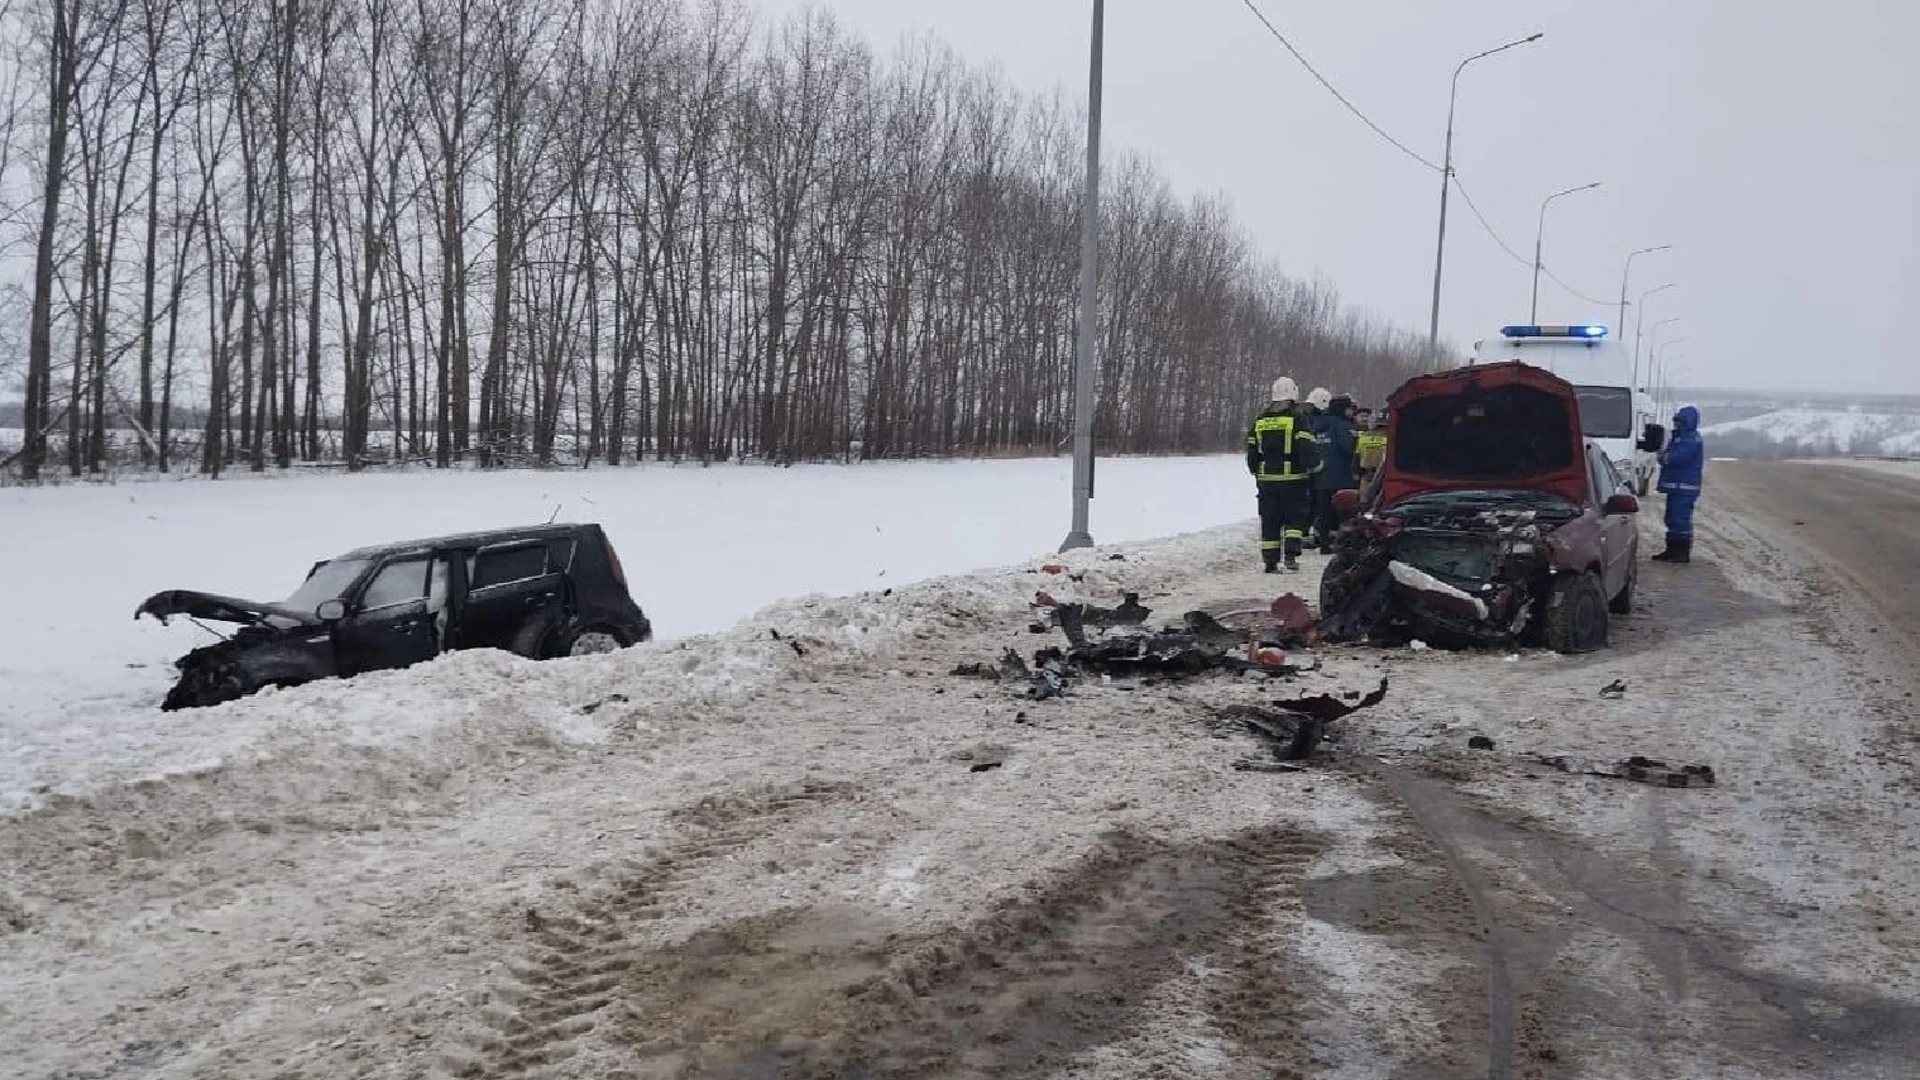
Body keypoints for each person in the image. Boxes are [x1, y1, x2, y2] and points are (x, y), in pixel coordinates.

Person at [1247, 378, 1320, 572]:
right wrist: (1315, 466)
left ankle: (1270, 562)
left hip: (1266, 481)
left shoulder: (1260, 420)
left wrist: (1256, 470)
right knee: (1294, 519)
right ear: (1293, 395)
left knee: (1270, 519)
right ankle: (1290, 556)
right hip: (1294, 479)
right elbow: (1307, 448)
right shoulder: (1298, 419)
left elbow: (1252, 451)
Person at [1653, 404, 1705, 563]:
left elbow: (1679, 458)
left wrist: (1663, 457)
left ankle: (1681, 553)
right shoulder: (1679, 437)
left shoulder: (1691, 439)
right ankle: (1671, 550)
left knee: (1680, 520)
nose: (1676, 424)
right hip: (1677, 486)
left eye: (1679, 421)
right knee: (1672, 519)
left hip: (1684, 487)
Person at [1311, 394, 1359, 552]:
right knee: (1343, 512)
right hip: (1341, 477)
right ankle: (1342, 544)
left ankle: (1324, 544)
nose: (1352, 412)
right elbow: (1348, 447)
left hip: (1320, 476)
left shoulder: (1317, 423)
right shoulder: (1343, 425)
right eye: (1349, 408)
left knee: (1323, 512)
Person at [1354, 408, 1388, 487]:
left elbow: (1356, 457)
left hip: (1367, 475)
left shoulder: (1364, 436)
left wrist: (1355, 472)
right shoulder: (1392, 438)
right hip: (1385, 475)